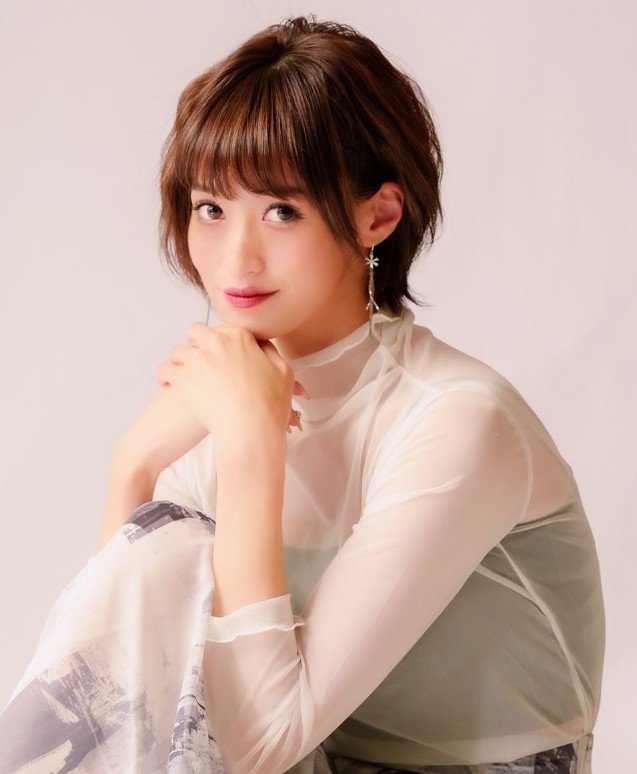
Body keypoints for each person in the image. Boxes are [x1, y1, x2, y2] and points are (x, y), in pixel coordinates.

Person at [0, 16, 604, 774]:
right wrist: (135, 466)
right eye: (210, 209)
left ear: (376, 216)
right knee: (161, 556)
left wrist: (252, 446)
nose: (236, 257)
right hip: (307, 759)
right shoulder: (235, 398)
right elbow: (124, 693)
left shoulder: (456, 420)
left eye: (282, 211)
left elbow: (256, 743)